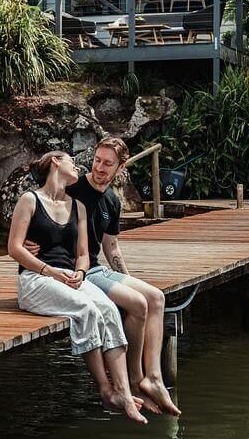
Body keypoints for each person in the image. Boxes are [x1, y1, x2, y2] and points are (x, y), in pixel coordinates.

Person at [27, 137, 181, 416]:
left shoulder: (112, 200)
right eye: (97, 160)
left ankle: (154, 378)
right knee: (138, 304)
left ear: (120, 168)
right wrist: (30, 239)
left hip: (97, 268)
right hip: (75, 270)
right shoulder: (74, 186)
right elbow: (41, 202)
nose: (99, 167)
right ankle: (135, 379)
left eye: (107, 163)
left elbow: (111, 247)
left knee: (155, 297)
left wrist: (127, 280)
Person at [7, 150, 147, 425]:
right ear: (56, 162)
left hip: (71, 276)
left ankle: (124, 392)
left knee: (107, 308)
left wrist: (81, 272)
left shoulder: (78, 206)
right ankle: (105, 390)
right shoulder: (30, 200)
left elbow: (83, 253)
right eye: (73, 160)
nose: (79, 165)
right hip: (36, 281)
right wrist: (50, 270)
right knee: (86, 309)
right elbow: (14, 248)